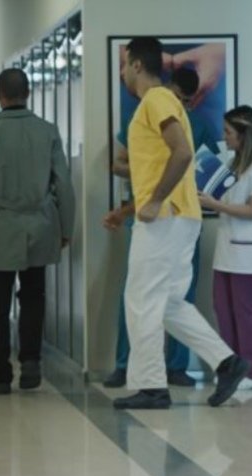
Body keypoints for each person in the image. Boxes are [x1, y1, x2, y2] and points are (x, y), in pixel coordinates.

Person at [113, 37, 248, 410]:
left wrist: (155, 200)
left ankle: (151, 387)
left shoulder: (156, 100)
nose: (123, 73)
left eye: (125, 65)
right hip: (180, 216)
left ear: (137, 64)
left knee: (141, 299)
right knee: (169, 302)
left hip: (166, 217)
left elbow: (183, 152)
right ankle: (227, 362)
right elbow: (161, 163)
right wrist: (131, 209)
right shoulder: (163, 102)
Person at [103, 67, 215, 388]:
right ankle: (131, 367)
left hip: (173, 213)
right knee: (144, 297)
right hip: (160, 212)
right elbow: (119, 163)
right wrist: (145, 174)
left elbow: (201, 164)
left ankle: (169, 371)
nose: (182, 105)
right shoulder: (153, 107)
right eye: (180, 97)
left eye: (188, 101)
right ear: (171, 88)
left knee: (166, 298)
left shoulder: (192, 121)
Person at [0, 68, 76, 395]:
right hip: (41, 225)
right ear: (28, 93)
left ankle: (1, 374)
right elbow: (63, 184)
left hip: (2, 227)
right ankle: (31, 363)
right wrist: (66, 226)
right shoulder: (48, 131)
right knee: (33, 297)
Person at [199, 105, 252, 390]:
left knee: (245, 310)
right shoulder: (234, 164)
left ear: (244, 134)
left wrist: (214, 204)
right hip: (227, 246)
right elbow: (224, 198)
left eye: (228, 132)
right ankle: (231, 368)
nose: (224, 137)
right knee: (223, 308)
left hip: (249, 247)